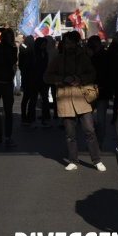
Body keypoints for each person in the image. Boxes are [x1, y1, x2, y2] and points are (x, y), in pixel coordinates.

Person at [43, 31, 106, 171]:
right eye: (67, 43)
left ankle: (96, 160)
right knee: (70, 134)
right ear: (64, 44)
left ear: (76, 43)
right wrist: (62, 79)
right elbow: (46, 76)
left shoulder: (83, 58)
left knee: (90, 130)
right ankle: (73, 160)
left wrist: (80, 79)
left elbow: (92, 74)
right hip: (65, 99)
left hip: (82, 98)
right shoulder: (58, 60)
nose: (69, 45)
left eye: (72, 42)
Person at [87, 35, 113, 150]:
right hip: (89, 90)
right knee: (86, 116)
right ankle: (94, 135)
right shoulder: (87, 55)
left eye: (95, 43)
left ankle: (99, 142)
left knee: (101, 119)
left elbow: (104, 69)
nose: (94, 46)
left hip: (102, 90)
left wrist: (93, 56)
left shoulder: (105, 55)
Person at [27, 37, 52, 128]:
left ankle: (44, 120)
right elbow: (27, 68)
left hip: (43, 81)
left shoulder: (45, 53)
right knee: (33, 101)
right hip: (34, 81)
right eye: (43, 45)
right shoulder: (32, 54)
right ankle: (32, 120)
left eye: (46, 45)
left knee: (45, 100)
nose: (45, 46)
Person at [19, 35, 34, 124]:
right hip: (27, 76)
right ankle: (26, 116)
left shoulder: (26, 49)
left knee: (28, 97)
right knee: (27, 97)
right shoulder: (26, 49)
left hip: (27, 75)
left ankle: (27, 115)